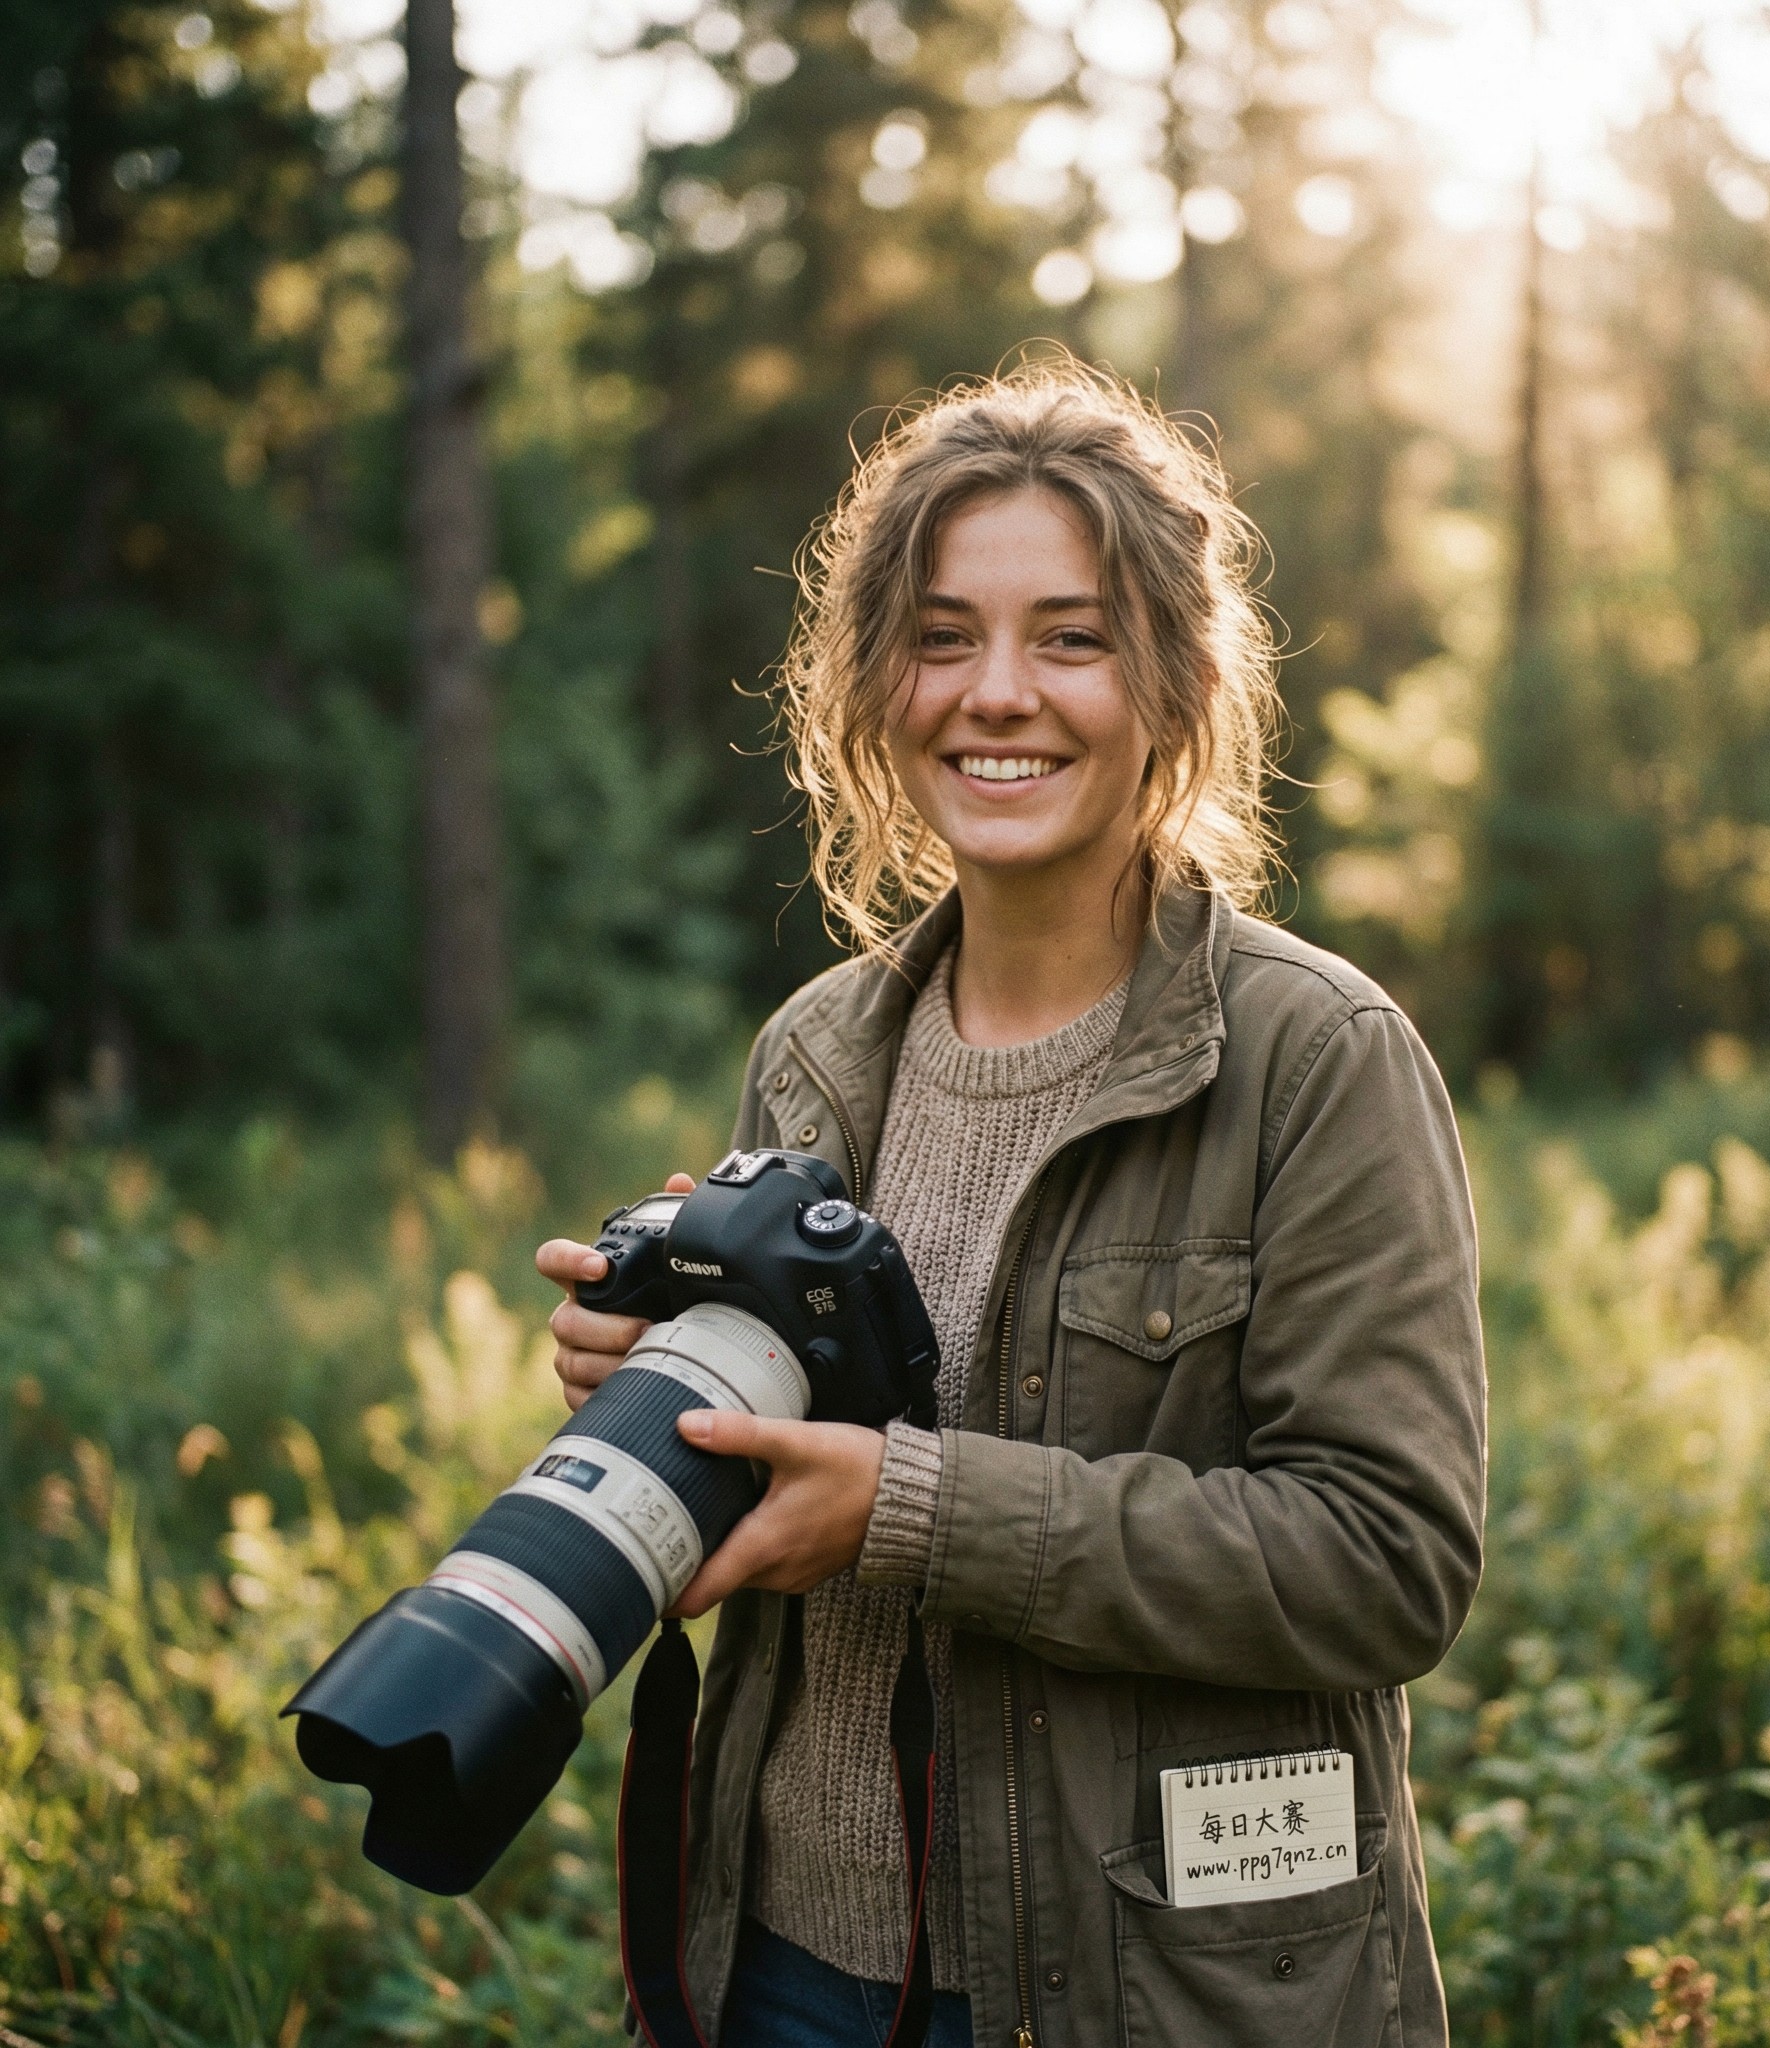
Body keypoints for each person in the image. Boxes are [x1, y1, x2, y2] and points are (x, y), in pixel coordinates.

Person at [536, 358, 1486, 2048]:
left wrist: (908, 1511)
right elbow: (786, 1485)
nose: (998, 694)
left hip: (1145, 1992)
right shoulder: (819, 1053)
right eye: (942, 635)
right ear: (875, 684)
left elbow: (1383, 1563)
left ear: (1174, 680)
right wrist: (670, 1399)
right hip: (783, 1965)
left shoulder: (1314, 1057)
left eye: (1071, 636)